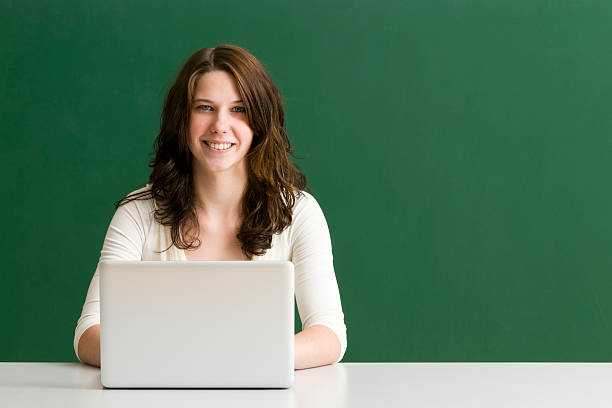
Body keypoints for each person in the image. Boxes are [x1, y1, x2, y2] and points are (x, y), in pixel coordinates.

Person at [73, 44, 347, 370]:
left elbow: (329, 335)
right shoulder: (137, 214)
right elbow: (88, 334)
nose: (220, 125)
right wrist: (185, 361)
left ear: (260, 121)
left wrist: (230, 360)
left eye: (239, 109)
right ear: (182, 118)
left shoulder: (299, 212)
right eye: (205, 107)